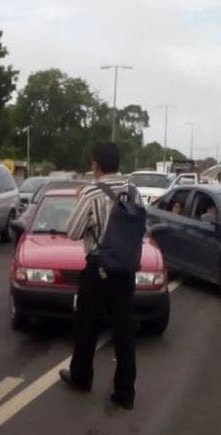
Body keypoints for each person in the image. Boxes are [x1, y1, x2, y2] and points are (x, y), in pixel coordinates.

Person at [59, 142, 139, 410]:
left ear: (96, 165)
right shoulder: (133, 191)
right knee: (124, 331)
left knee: (86, 326)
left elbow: (72, 231)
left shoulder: (92, 192)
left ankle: (81, 378)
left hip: (98, 268)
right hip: (125, 270)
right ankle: (125, 392)